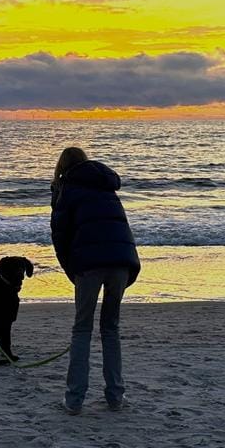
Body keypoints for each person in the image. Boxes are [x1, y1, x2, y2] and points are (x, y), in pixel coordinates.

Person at [50, 146, 140, 414]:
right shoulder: (106, 186)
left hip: (89, 266)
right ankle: (115, 397)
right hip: (121, 262)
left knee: (82, 330)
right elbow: (121, 227)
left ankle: (74, 400)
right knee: (110, 328)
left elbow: (60, 236)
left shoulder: (65, 190)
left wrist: (71, 271)